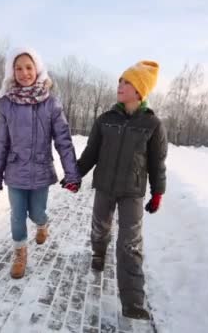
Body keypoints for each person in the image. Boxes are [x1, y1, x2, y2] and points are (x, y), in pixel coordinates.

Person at [76, 60, 167, 320]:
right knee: (100, 227)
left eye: (127, 82)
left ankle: (133, 302)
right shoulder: (105, 120)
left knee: (130, 243)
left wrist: (157, 191)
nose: (120, 86)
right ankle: (98, 253)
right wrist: (75, 175)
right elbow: (90, 153)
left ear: (140, 90)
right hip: (104, 185)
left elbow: (157, 162)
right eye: (120, 81)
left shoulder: (153, 125)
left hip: (133, 191)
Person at [0, 47, 81, 279]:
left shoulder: (51, 103)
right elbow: (1, 141)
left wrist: (72, 173)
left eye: (28, 67)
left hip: (41, 170)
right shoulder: (6, 103)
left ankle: (43, 224)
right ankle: (20, 252)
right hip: (15, 170)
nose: (24, 73)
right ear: (12, 72)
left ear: (37, 69)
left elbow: (63, 140)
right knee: (17, 215)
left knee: (37, 212)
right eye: (18, 68)